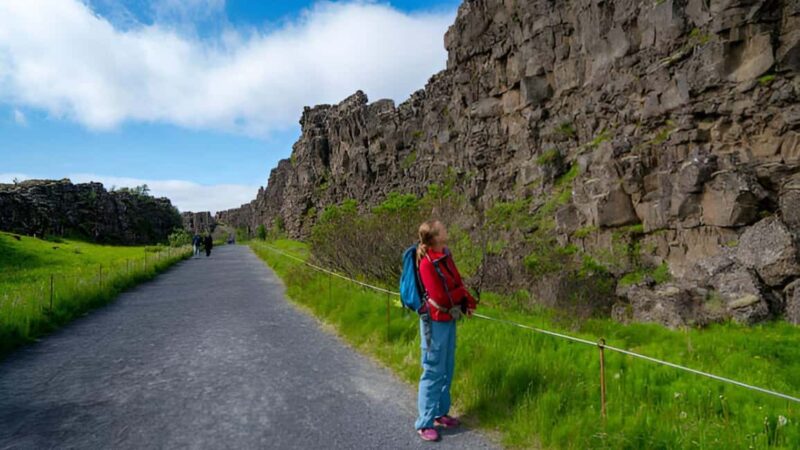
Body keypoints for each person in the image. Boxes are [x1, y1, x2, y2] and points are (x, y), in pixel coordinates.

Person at [414, 220, 477, 442]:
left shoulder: (445, 255)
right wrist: (462, 295)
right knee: (432, 369)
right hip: (434, 321)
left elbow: (456, 283)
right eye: (443, 228)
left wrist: (466, 301)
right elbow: (440, 296)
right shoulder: (427, 263)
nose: (446, 229)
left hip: (448, 318)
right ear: (435, 237)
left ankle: (440, 412)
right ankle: (424, 422)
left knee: (447, 367)